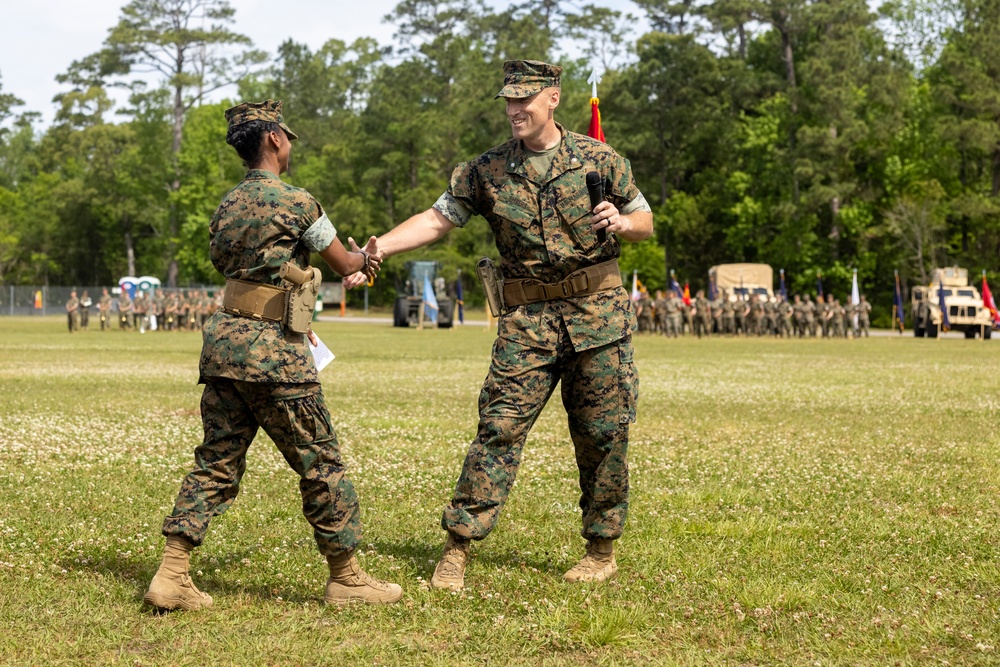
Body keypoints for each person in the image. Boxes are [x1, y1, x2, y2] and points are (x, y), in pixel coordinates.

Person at [346, 60, 652, 590]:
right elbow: (436, 219)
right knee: (498, 431)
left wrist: (624, 223)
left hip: (598, 318)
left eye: (524, 100)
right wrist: (381, 246)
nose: (514, 110)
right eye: (508, 101)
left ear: (552, 98)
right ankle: (457, 549)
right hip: (527, 323)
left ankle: (601, 551)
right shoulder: (486, 170)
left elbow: (644, 219)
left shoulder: (598, 158)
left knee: (604, 435)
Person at [144, 99, 400, 611]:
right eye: (287, 137)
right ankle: (347, 579)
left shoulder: (226, 205)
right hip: (276, 356)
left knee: (217, 461)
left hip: (222, 350)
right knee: (321, 463)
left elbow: (224, 261)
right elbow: (344, 259)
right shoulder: (300, 203)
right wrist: (366, 260)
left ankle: (172, 574)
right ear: (275, 140)